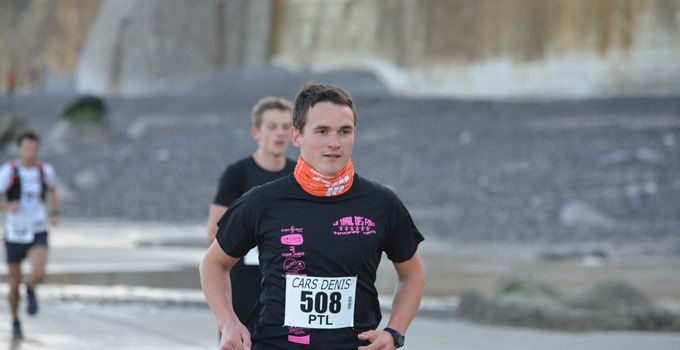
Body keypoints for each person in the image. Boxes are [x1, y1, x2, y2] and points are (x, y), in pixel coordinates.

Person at [201, 83, 426, 350]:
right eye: (322, 131)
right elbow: (213, 263)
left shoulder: (382, 203)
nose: (334, 143)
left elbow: (413, 275)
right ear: (297, 137)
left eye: (345, 131)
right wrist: (228, 323)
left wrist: (394, 332)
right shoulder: (262, 201)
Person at [207, 96, 295, 332]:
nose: (280, 133)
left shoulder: (299, 174)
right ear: (257, 131)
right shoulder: (237, 173)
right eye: (272, 127)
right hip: (243, 283)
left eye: (286, 127)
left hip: (287, 283)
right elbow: (213, 231)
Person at [0, 132, 58, 340]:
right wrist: (7, 206)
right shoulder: (9, 172)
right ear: (19, 149)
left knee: (40, 272)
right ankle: (15, 321)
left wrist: (54, 212)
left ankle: (31, 288)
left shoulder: (45, 171)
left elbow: (52, 190)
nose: (31, 153)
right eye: (27, 149)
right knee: (13, 283)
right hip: (15, 231)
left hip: (38, 228)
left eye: (34, 149)